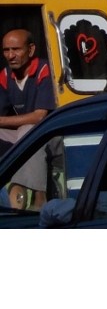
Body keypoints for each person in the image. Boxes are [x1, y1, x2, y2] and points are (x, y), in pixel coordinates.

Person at [0, 29, 56, 208]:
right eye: (6, 50)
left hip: (52, 136)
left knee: (28, 131)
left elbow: (40, 116)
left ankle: (37, 198)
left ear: (31, 50)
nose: (10, 55)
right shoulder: (5, 75)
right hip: (22, 134)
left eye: (16, 49)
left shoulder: (45, 70)